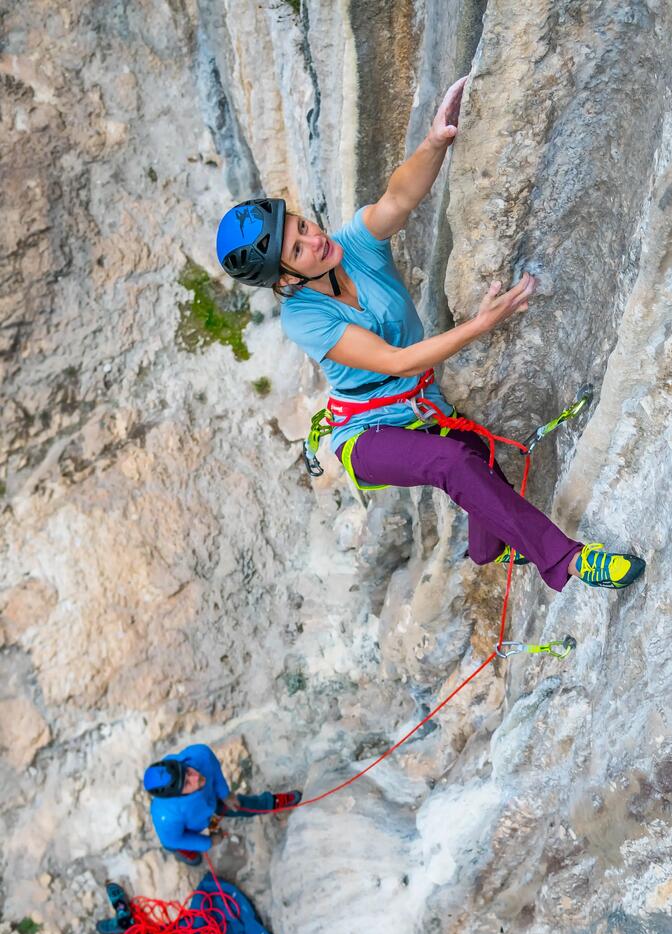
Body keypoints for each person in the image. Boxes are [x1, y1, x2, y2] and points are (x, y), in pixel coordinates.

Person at [215, 76, 645, 592]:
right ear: (285, 279)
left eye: (303, 226)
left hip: (421, 404)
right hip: (365, 434)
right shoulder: (303, 317)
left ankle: (495, 549)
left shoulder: (353, 246)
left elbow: (398, 199)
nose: (314, 238)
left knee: (479, 462)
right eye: (298, 248)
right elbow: (398, 363)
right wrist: (481, 324)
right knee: (451, 461)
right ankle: (573, 561)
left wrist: (434, 141)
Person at [143, 744, 301, 866]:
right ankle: (185, 852)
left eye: (188, 772)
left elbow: (212, 766)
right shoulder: (166, 816)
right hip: (190, 823)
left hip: (211, 802)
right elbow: (173, 839)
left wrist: (225, 794)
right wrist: (208, 843)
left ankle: (272, 802)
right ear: (175, 795)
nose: (196, 777)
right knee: (175, 845)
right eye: (187, 783)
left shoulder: (198, 755)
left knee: (242, 805)